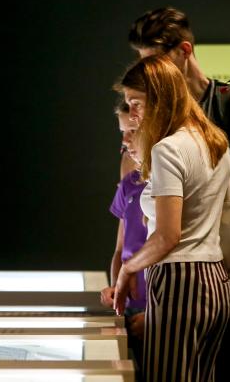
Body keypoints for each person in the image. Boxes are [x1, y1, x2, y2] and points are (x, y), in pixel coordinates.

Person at [127, 7, 230, 382]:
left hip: (220, 258)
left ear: (184, 51)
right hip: (171, 258)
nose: (151, 73)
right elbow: (137, 184)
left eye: (156, 61)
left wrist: (196, 178)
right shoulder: (156, 116)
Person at [113, 55, 230, 382]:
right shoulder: (214, 140)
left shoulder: (168, 149)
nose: (133, 114)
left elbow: (167, 236)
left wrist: (129, 268)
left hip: (179, 279)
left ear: (160, 97)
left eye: (137, 103)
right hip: (216, 278)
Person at [101, 99, 147, 374]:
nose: (126, 142)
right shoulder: (129, 184)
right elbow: (120, 248)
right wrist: (115, 290)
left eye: (132, 131)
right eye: (123, 134)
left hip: (159, 312)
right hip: (131, 308)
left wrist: (156, 317)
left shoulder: (171, 183)